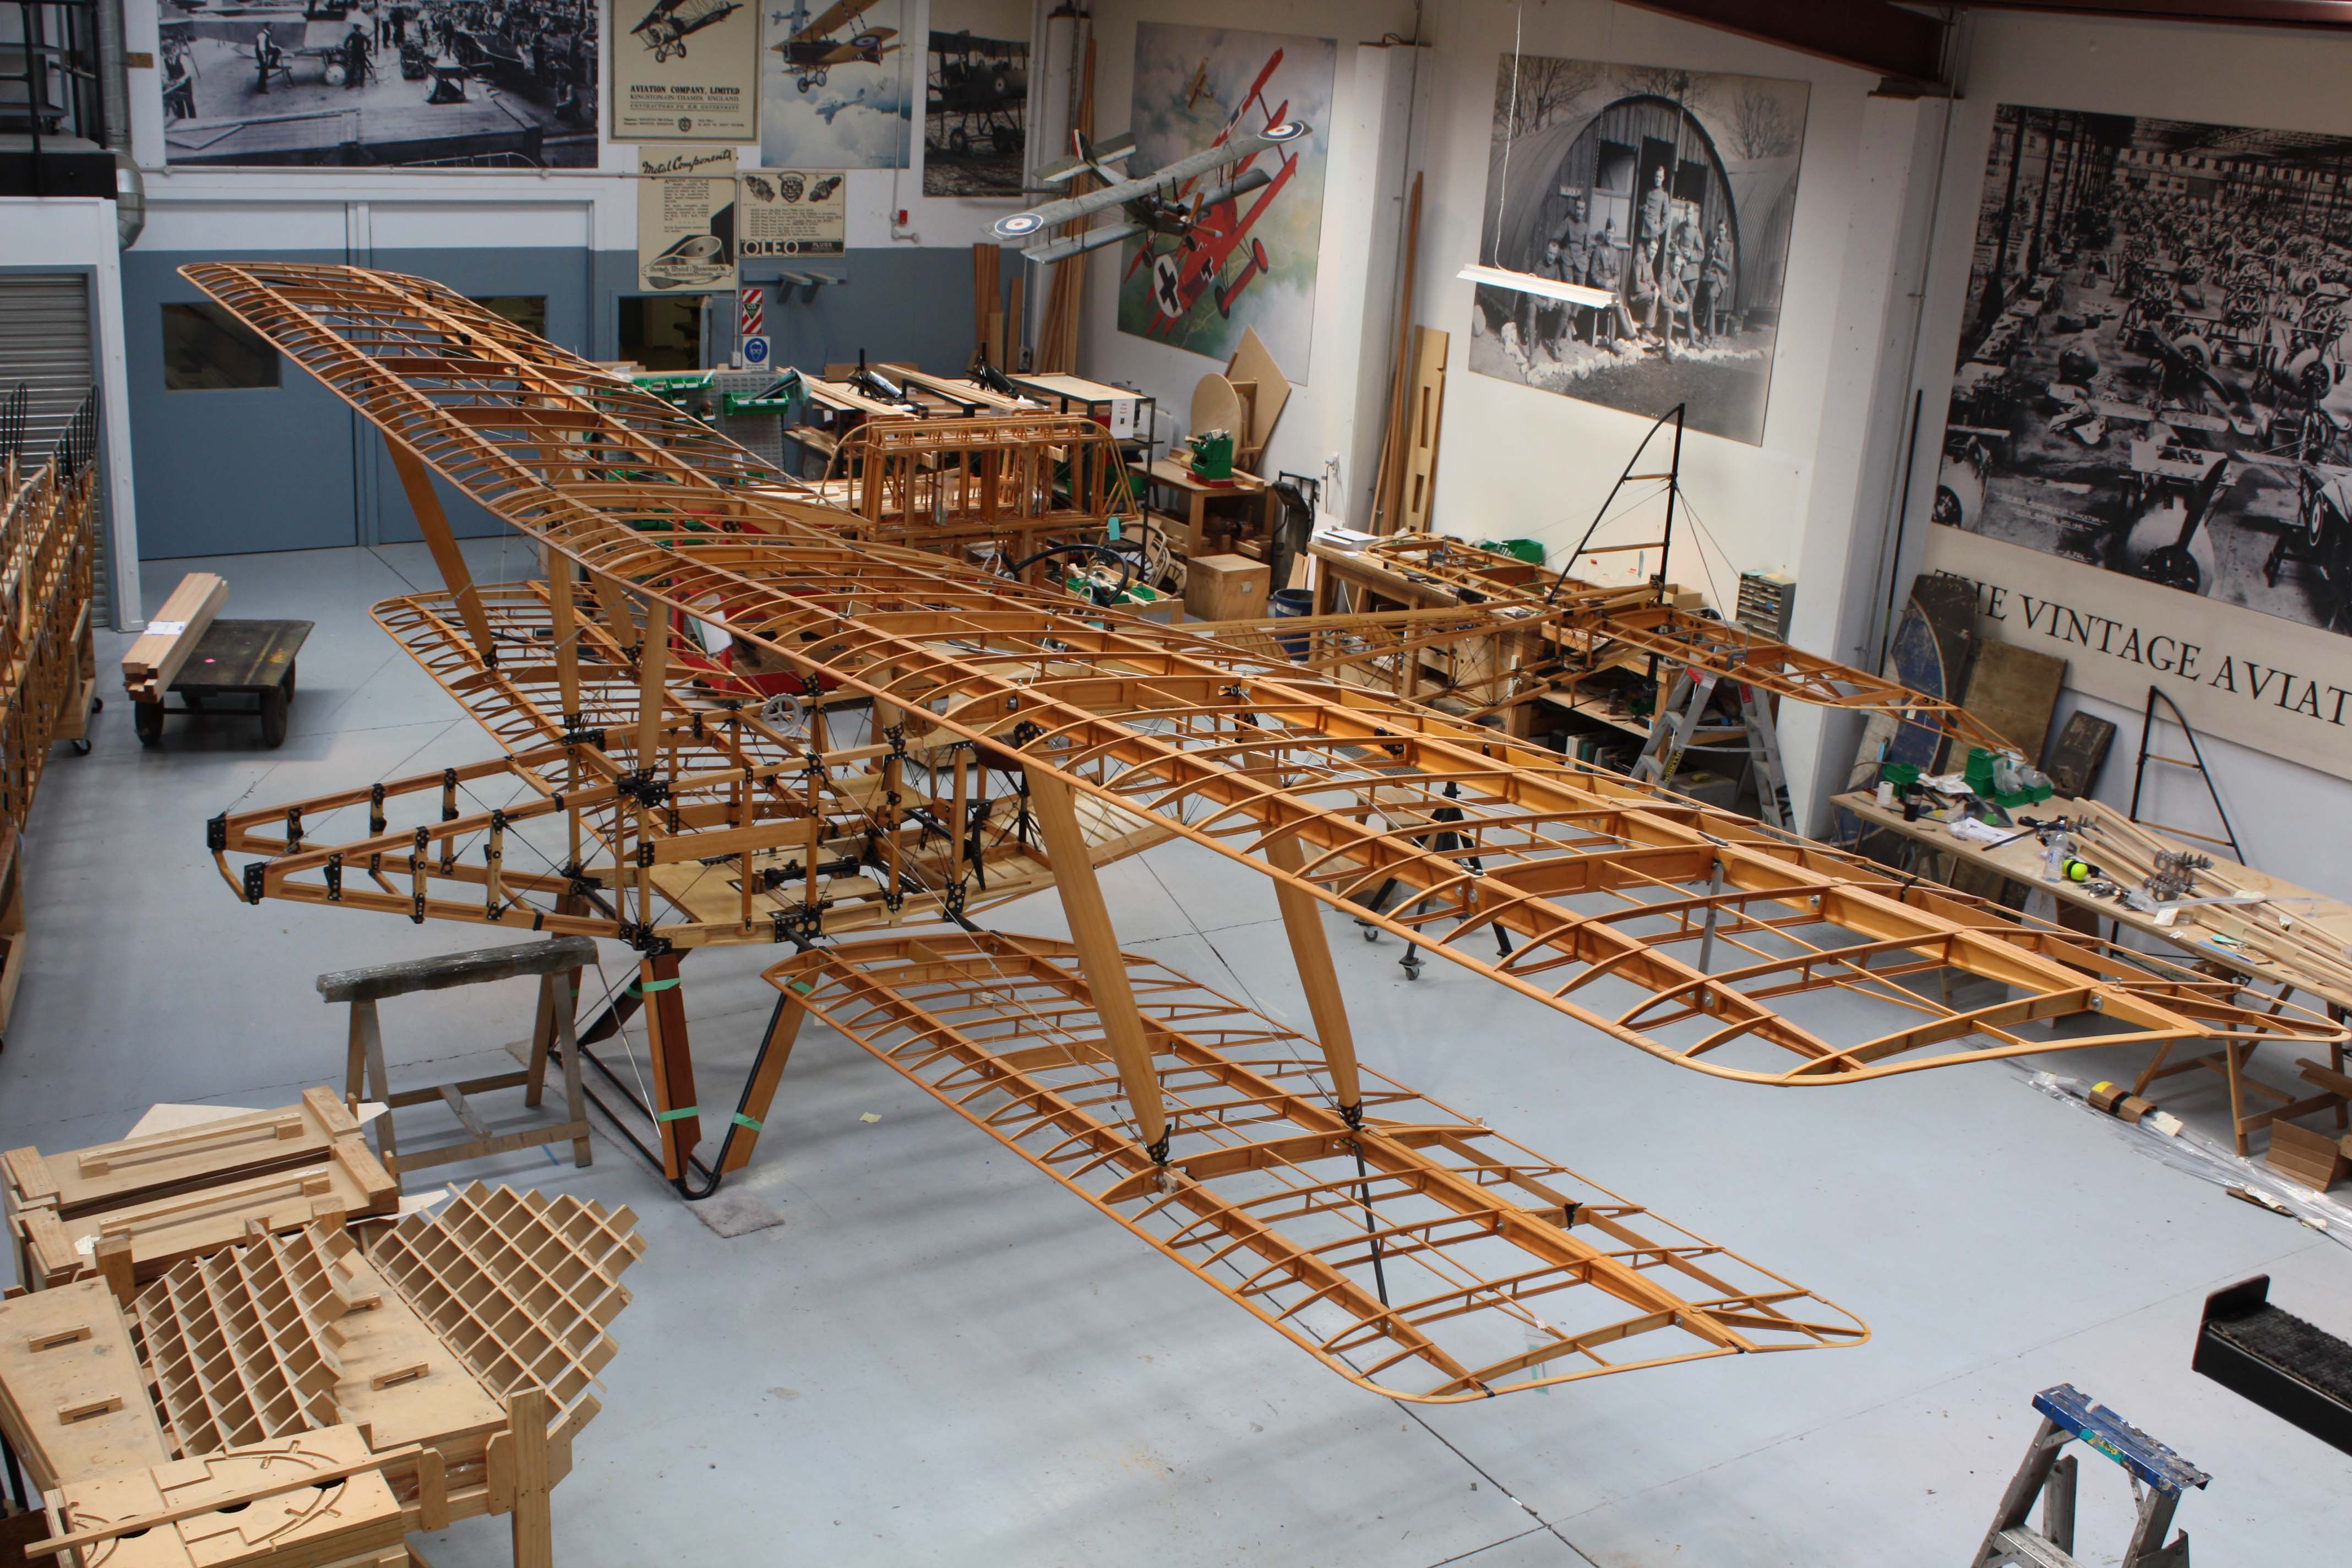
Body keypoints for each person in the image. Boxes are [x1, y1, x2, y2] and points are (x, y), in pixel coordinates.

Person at [1701, 220, 1733, 341]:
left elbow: (1728, 268)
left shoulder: (1729, 246)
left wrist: (1717, 260)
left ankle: (1708, 331)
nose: (1720, 233)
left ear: (1726, 231)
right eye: (1718, 230)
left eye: (1722, 230)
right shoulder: (1714, 243)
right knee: (1710, 302)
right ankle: (1707, 331)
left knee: (1711, 295)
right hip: (1710, 276)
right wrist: (1712, 249)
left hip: (1720, 278)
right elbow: (1707, 261)